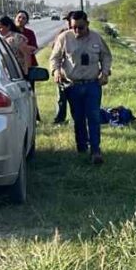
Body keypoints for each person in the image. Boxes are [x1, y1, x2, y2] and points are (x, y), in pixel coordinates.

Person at [49, 10, 112, 164]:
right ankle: (82, 147)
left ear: (87, 24)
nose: (77, 30)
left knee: (94, 117)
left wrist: (104, 73)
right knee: (78, 119)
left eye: (81, 27)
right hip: (73, 86)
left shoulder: (96, 37)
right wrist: (56, 71)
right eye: (74, 27)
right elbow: (55, 58)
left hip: (92, 85)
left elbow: (106, 56)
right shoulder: (65, 38)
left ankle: (96, 150)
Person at [52, 15, 72, 125]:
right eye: (67, 21)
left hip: (78, 73)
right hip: (63, 71)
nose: (69, 23)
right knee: (61, 98)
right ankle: (60, 119)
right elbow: (55, 53)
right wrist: (56, 71)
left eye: (70, 21)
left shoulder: (83, 34)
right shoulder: (62, 34)